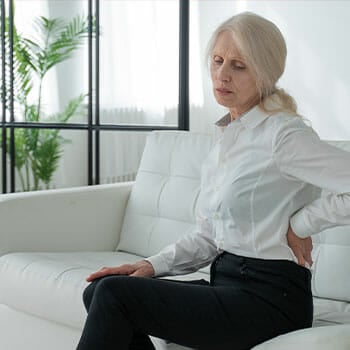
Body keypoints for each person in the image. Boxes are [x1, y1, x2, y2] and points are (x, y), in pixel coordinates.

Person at [76, 12, 350, 350]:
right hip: (227, 283)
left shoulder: (284, 135)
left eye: (239, 66)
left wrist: (303, 223)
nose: (221, 75)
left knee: (115, 295)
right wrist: (150, 265)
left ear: (265, 73)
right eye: (218, 61)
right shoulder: (227, 138)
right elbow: (209, 235)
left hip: (270, 300)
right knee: (101, 289)